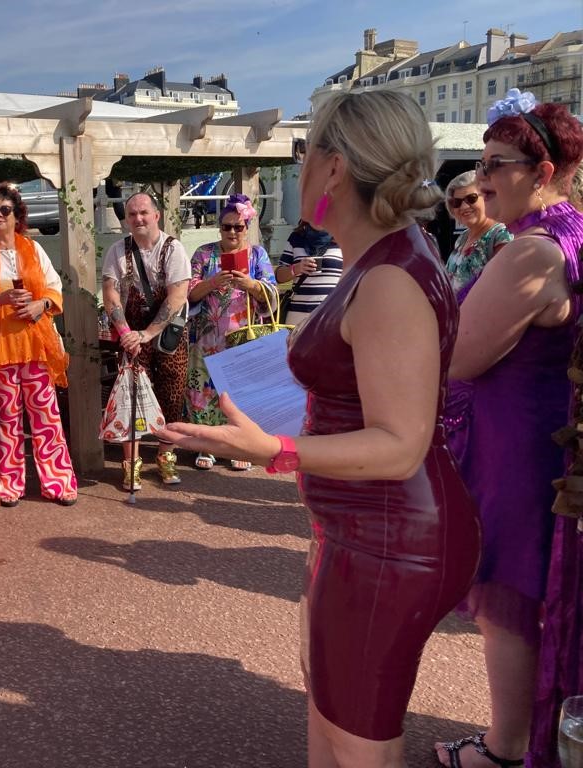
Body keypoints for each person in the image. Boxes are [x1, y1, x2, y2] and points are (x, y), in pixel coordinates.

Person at [156, 91, 480, 768]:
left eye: (305, 153)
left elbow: (400, 442)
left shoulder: (389, 274)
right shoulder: (386, 257)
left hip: (390, 538)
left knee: (356, 740)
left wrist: (275, 448)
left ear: (334, 168)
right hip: (365, 529)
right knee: (332, 719)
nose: (299, 169)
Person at [434, 92, 583, 768]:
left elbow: (462, 355)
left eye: (496, 163)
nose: (483, 177)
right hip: (547, 427)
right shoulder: (573, 230)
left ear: (542, 168)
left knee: (509, 597)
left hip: (518, 443)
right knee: (537, 592)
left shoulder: (532, 250)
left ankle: (504, 749)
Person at [0, 182, 77, 507]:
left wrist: (40, 306)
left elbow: (54, 288)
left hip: (36, 345)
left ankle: (58, 482)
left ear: (16, 215)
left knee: (46, 415)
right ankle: (11, 485)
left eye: (5, 210)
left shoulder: (33, 249)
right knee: (7, 417)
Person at [102, 192, 191, 489]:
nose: (138, 219)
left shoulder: (173, 249)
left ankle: (166, 457)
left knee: (172, 393)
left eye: (143, 213)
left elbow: (177, 296)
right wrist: (127, 333)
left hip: (167, 334)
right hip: (131, 332)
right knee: (131, 396)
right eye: (132, 214)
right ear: (126, 219)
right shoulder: (117, 250)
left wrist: (148, 334)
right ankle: (131, 464)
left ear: (156, 215)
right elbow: (111, 294)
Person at [186, 193, 276, 471]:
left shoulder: (257, 255)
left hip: (243, 336)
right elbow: (189, 293)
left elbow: (271, 292)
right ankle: (206, 445)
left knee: (240, 393)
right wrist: (213, 282)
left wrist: (250, 284)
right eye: (227, 226)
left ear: (247, 228)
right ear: (220, 228)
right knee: (203, 391)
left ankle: (240, 446)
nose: (233, 232)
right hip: (206, 338)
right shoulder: (204, 253)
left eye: (239, 226)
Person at [442, 170, 512, 293]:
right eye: (456, 202)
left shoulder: (501, 236)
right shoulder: (462, 238)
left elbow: (502, 289)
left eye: (471, 198)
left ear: (487, 197)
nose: (463, 207)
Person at [274, 221, 343, 326]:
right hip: (298, 318)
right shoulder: (296, 238)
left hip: (332, 316)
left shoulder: (344, 238)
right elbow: (278, 276)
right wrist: (296, 268)